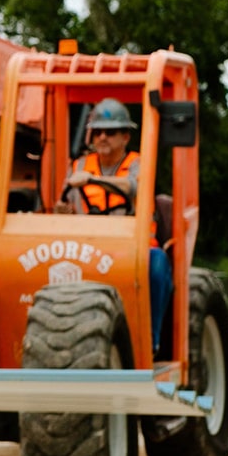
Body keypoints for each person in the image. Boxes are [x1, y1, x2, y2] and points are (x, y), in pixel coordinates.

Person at [56, 97, 173, 354]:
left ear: (125, 137)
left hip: (131, 251)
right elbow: (64, 203)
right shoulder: (78, 167)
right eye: (97, 132)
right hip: (87, 250)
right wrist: (62, 210)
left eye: (110, 132)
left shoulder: (138, 163)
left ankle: (150, 341)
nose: (102, 137)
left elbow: (134, 187)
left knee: (157, 263)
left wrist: (92, 180)